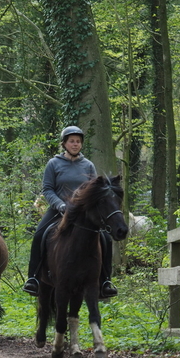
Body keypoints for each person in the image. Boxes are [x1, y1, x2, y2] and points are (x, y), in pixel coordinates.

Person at [22, 125, 118, 298]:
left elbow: (95, 190)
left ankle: (105, 281)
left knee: (106, 239)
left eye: (78, 142)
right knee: (39, 235)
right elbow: (48, 189)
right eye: (72, 141)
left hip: (84, 214)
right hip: (58, 210)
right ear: (64, 143)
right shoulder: (54, 164)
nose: (75, 144)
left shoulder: (88, 165)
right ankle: (33, 278)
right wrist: (60, 205)